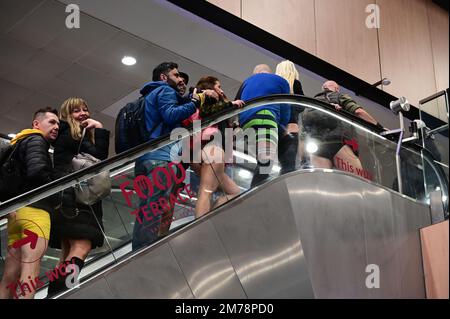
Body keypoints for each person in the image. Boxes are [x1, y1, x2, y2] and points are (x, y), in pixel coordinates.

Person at [132, 62, 219, 249]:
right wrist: (195, 102)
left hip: (145, 159)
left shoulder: (150, 94)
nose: (180, 79)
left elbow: (172, 108)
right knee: (154, 210)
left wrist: (195, 97)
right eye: (176, 75)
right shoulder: (165, 91)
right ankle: (144, 253)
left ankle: (138, 250)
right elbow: (171, 114)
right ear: (164, 77)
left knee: (147, 209)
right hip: (161, 159)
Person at [47, 97, 110, 296]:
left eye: (85, 109)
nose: (83, 113)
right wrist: (99, 127)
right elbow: (100, 157)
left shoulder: (74, 136)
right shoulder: (72, 134)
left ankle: (55, 294)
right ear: (66, 115)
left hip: (69, 198)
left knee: (68, 253)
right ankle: (59, 294)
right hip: (76, 199)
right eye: (76, 111)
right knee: (82, 246)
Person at [0, 108, 60, 299]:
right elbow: (38, 172)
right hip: (36, 212)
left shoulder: (17, 143)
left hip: (16, 214)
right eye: (51, 122)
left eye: (58, 123)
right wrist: (58, 180)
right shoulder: (36, 140)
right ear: (36, 124)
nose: (56, 127)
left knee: (10, 274)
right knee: (30, 270)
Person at [182, 76, 244, 218]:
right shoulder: (207, 98)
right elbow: (207, 113)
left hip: (199, 150)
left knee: (234, 192)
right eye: (218, 86)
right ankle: (200, 229)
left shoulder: (197, 101)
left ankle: (207, 219)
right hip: (209, 146)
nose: (221, 90)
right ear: (210, 87)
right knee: (206, 191)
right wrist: (231, 104)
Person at [302, 80, 380, 173]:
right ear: (337, 89)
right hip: (338, 142)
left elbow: (304, 131)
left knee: (322, 183)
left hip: (317, 146)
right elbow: (358, 112)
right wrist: (378, 127)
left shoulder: (312, 103)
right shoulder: (338, 96)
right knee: (357, 181)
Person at [236, 64, 291, 187]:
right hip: (265, 117)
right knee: (266, 162)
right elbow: (286, 106)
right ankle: (254, 195)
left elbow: (235, 103)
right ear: (269, 72)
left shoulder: (246, 82)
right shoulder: (280, 80)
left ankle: (257, 189)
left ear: (255, 73)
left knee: (262, 161)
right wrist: (282, 126)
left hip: (245, 123)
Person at [275, 60, 305, 174]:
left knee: (280, 162)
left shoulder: (276, 85)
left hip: (277, 127)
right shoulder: (295, 83)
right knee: (289, 164)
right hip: (291, 127)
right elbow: (301, 106)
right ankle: (284, 189)